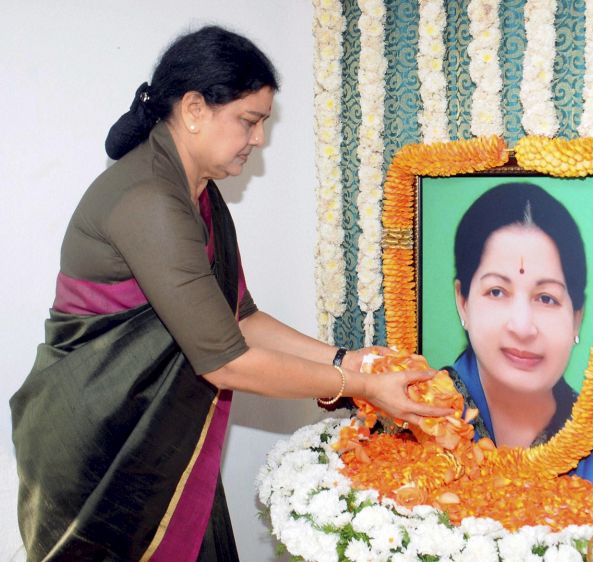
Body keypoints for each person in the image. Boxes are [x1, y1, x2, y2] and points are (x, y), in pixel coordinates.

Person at [9, 26, 449, 562]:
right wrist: (358, 385)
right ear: (194, 109)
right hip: (105, 447)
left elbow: (240, 318)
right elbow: (226, 362)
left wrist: (346, 358)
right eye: (250, 120)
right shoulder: (150, 199)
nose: (259, 139)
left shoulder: (196, 193)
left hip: (160, 437)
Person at [446, 182, 593, 492]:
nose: (523, 327)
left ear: (577, 318)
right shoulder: (417, 419)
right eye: (497, 291)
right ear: (463, 302)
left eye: (546, 298)